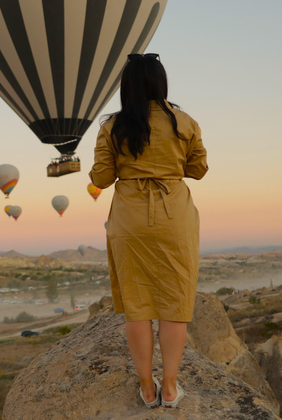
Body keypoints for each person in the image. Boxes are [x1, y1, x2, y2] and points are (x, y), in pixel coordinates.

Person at [90, 53, 208, 409]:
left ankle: (146, 389)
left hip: (129, 217)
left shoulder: (112, 127)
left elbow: (100, 178)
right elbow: (199, 169)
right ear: (161, 82)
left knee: (138, 306)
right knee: (175, 305)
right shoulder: (184, 121)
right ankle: (170, 388)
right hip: (174, 215)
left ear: (125, 87)